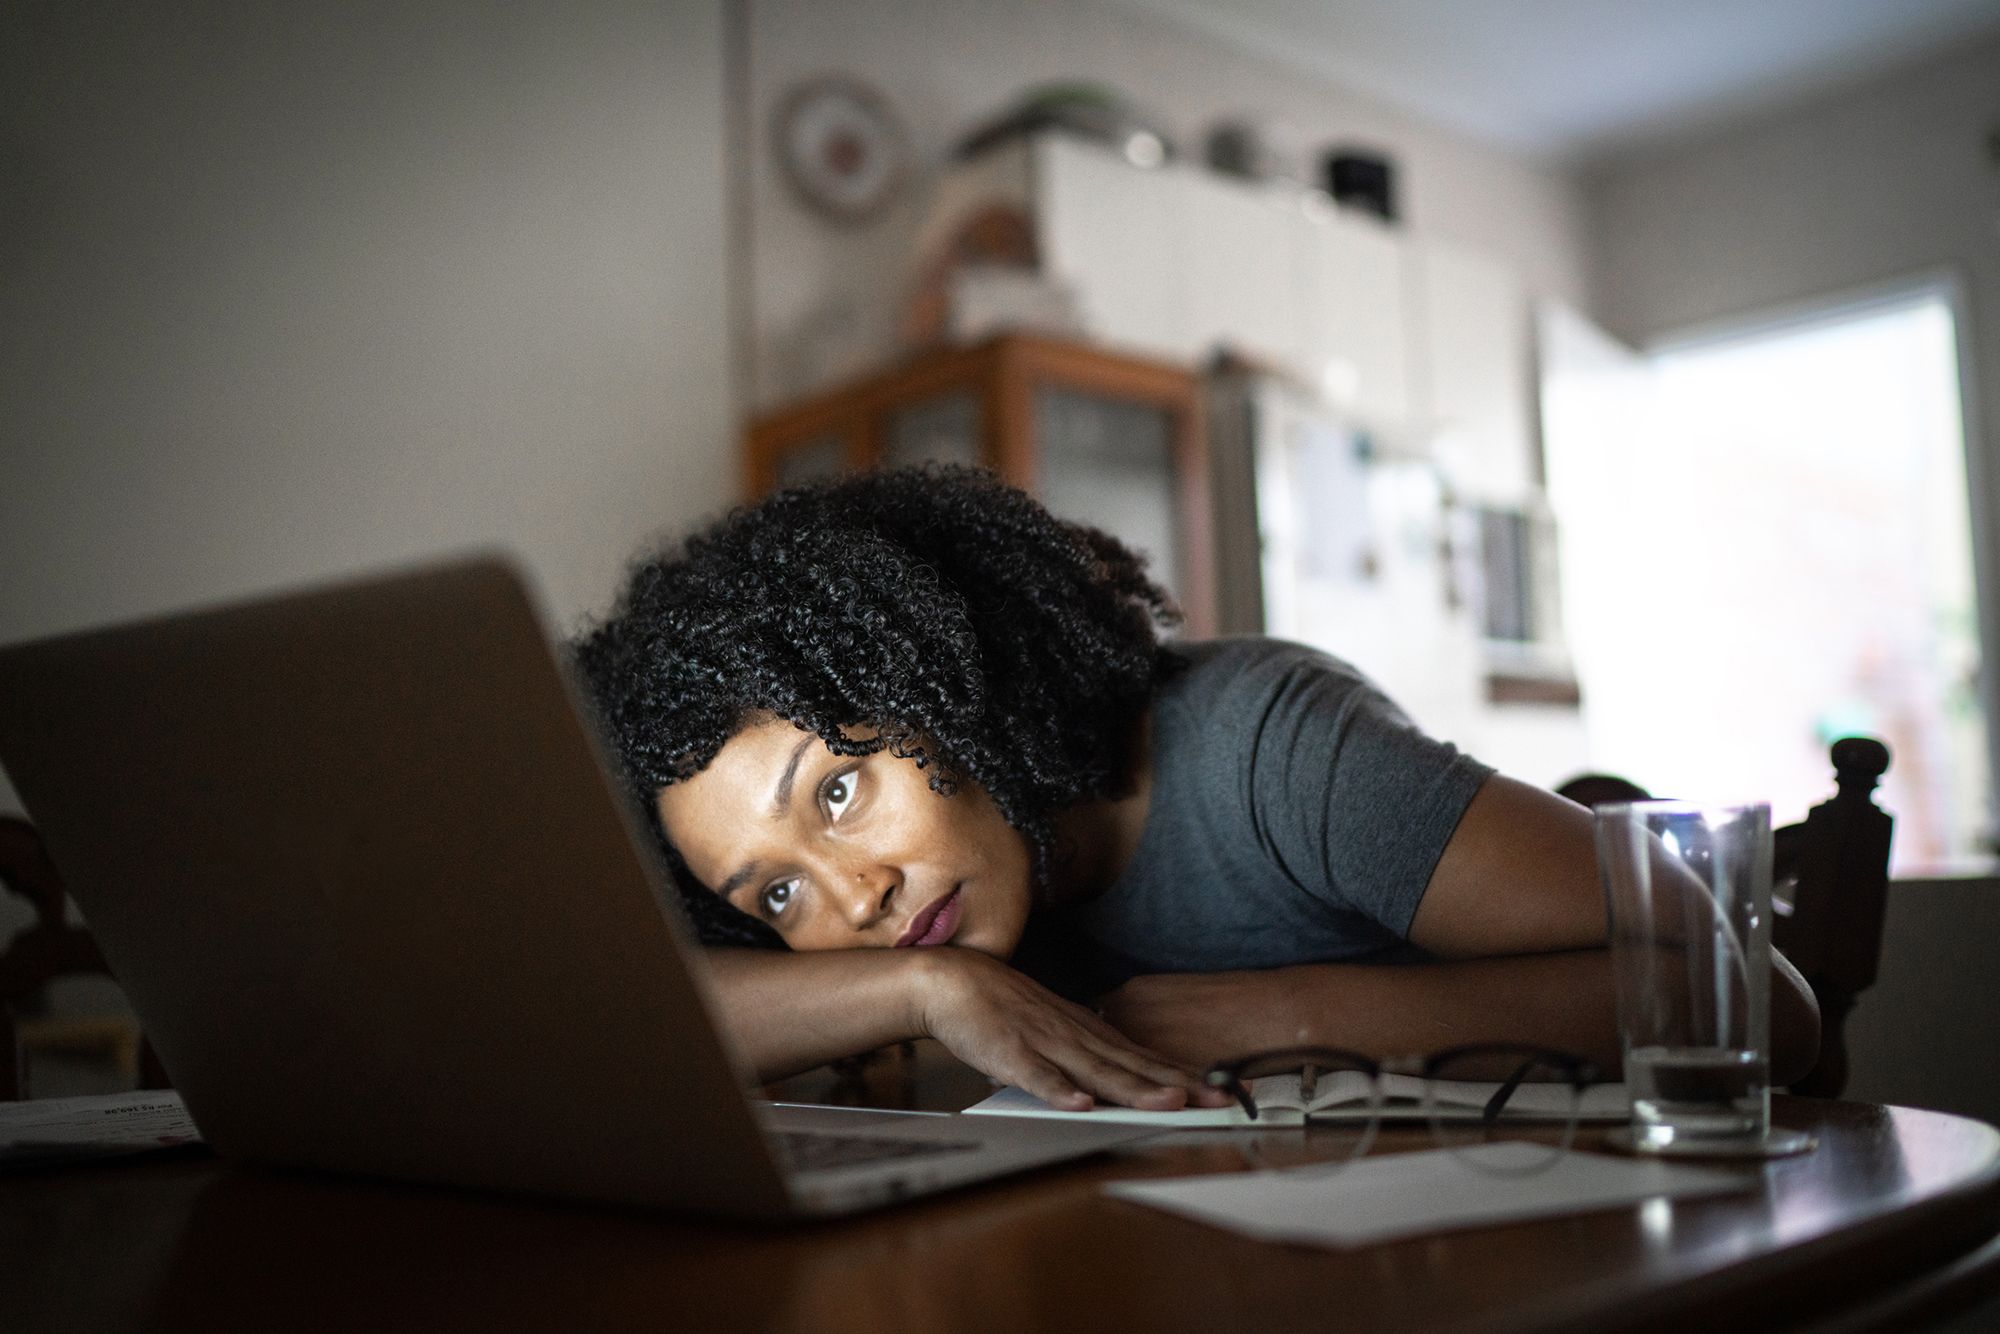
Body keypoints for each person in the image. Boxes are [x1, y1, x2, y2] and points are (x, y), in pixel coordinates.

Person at [574, 465, 1819, 1112]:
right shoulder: (932, 924)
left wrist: (1268, 1017)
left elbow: (1760, 999)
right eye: (775, 890)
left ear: (946, 675)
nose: (852, 896)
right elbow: (628, 1020)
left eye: (837, 791)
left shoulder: (1272, 751)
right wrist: (920, 979)